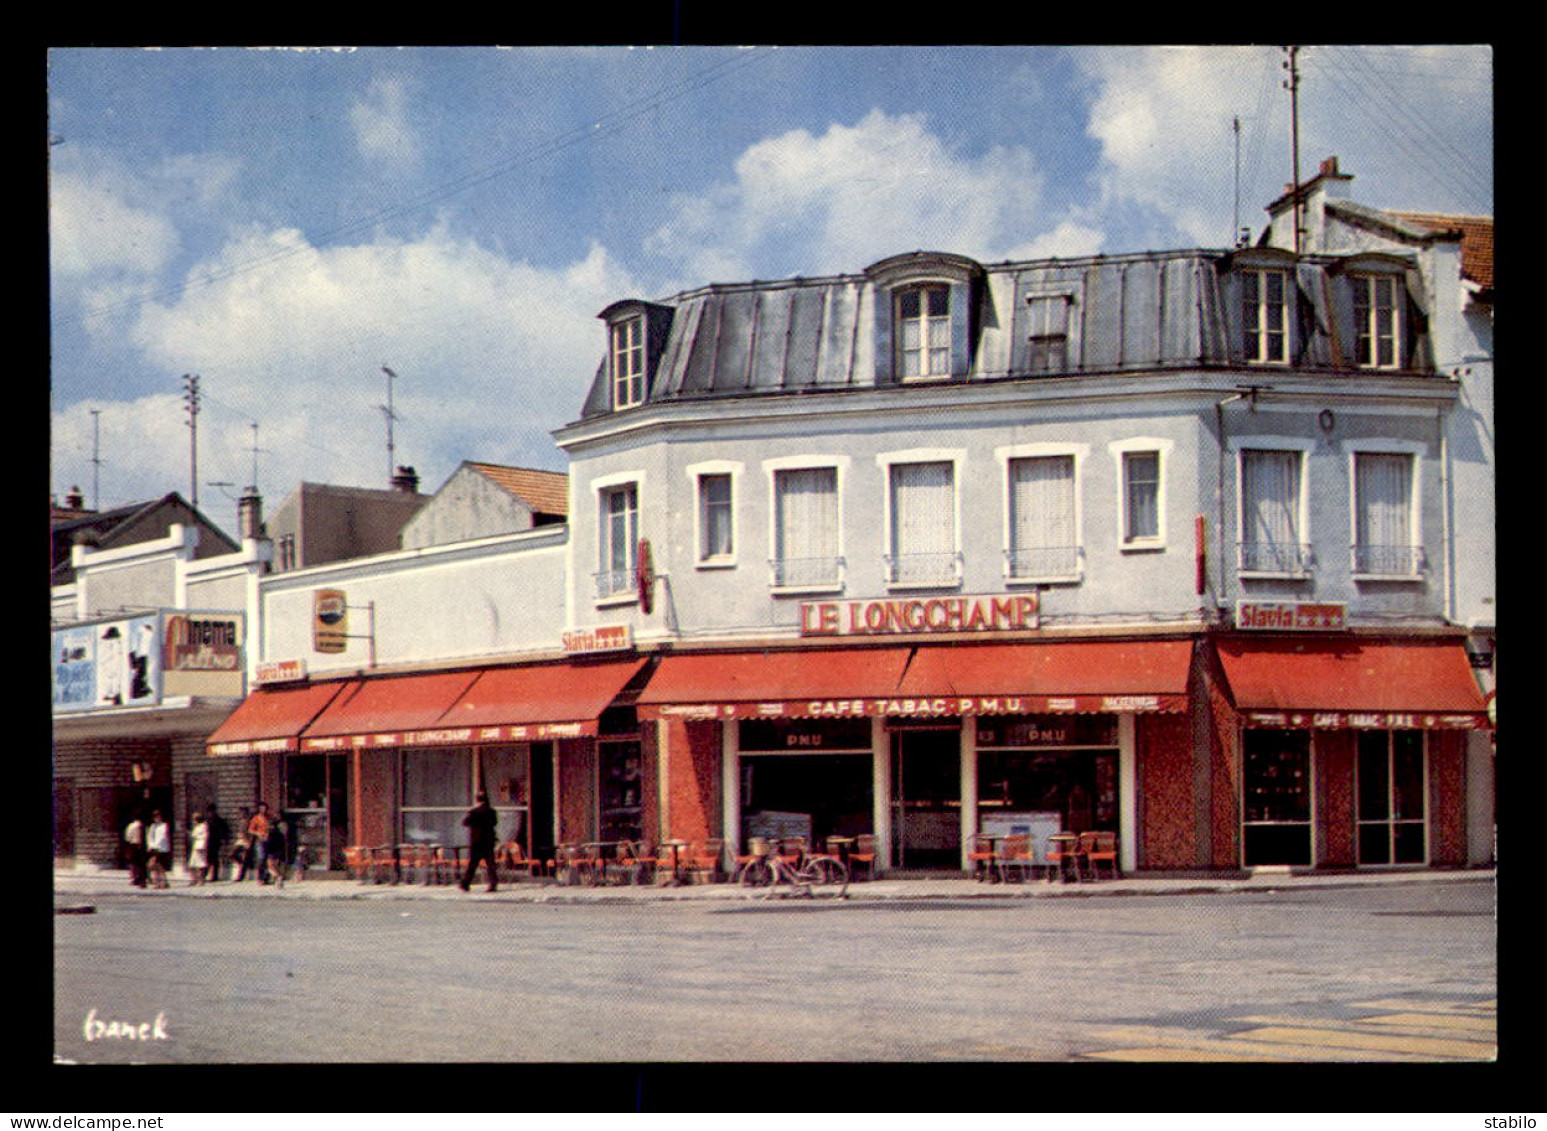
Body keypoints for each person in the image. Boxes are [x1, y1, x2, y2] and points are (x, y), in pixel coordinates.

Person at [459, 791, 499, 892]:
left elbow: (465, 822)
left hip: (476, 842)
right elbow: (494, 823)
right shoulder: (491, 811)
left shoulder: (474, 812)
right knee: (490, 864)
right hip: (488, 841)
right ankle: (492, 884)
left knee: (473, 864)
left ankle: (465, 883)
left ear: (477, 799)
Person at [146, 810, 171, 889]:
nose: (156, 818)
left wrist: (156, 846)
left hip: (161, 849)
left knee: (156, 865)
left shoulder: (164, 825)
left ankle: (161, 882)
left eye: (158, 816)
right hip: (153, 848)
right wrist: (150, 846)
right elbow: (149, 837)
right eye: (155, 817)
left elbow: (162, 837)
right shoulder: (153, 826)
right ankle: (161, 882)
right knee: (156, 866)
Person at [248, 802, 272, 884]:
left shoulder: (268, 818)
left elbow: (270, 827)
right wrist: (258, 833)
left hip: (268, 840)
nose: (263, 810)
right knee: (261, 859)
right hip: (260, 841)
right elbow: (250, 830)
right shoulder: (256, 818)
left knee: (267, 859)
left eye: (265, 808)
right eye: (262, 808)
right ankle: (260, 878)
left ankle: (266, 878)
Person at [204, 804, 229, 882]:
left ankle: (214, 876)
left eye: (211, 811)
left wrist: (224, 839)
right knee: (208, 859)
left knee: (214, 859)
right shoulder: (207, 821)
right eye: (209, 812)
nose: (210, 813)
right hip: (208, 841)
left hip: (215, 841)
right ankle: (206, 875)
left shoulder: (218, 820)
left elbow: (224, 830)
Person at [123, 812, 147, 889]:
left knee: (133, 863)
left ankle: (135, 878)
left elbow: (127, 837)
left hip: (133, 845)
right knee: (141, 864)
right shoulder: (143, 826)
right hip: (141, 846)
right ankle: (142, 879)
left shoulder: (131, 826)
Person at [265, 814, 288, 888]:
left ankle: (278, 877)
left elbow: (269, 843)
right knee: (275, 866)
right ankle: (278, 878)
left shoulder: (271, 833)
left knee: (270, 867)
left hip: (272, 852)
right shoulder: (280, 833)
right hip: (278, 852)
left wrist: (267, 851)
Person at [187, 812, 209, 886]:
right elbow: (193, 835)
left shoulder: (203, 826)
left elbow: (205, 837)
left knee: (200, 865)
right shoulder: (196, 827)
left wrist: (203, 846)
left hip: (200, 847)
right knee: (192, 864)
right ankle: (194, 879)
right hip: (195, 846)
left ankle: (201, 881)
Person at [232, 807, 252, 880]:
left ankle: (241, 875)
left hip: (245, 840)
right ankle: (241, 866)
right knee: (233, 855)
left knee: (244, 857)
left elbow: (249, 832)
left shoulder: (248, 821)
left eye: (241, 813)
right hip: (240, 840)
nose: (240, 814)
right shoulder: (241, 821)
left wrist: (248, 841)